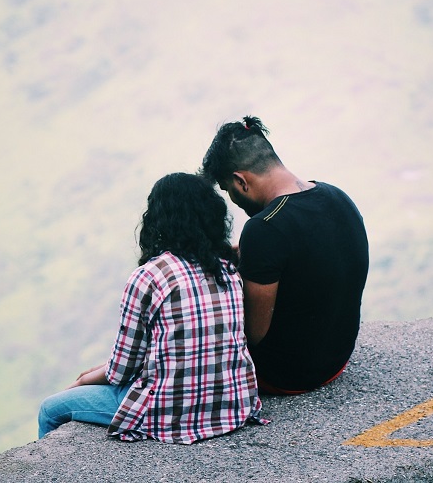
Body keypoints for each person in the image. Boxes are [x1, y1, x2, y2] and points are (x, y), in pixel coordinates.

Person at [38, 173, 264, 443]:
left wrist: (86, 379)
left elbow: (121, 370)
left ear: (158, 219)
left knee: (50, 410)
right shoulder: (227, 270)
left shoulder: (149, 276)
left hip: (168, 412)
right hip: (233, 405)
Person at [200, 116, 369, 394]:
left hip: (286, 375)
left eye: (228, 190)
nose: (234, 200)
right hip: (336, 360)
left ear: (240, 181)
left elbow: (254, 334)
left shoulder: (264, 228)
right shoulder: (338, 197)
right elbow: (302, 251)